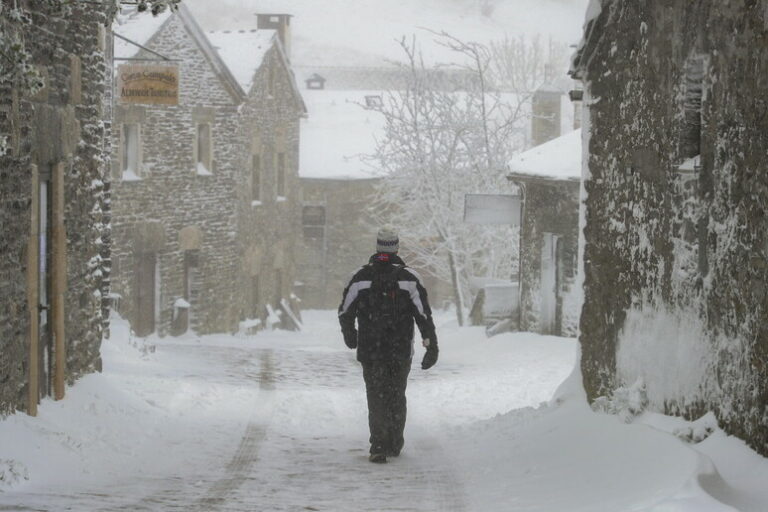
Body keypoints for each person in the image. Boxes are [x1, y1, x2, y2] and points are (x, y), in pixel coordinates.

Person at [338, 227, 438, 463]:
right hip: (400, 349)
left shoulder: (360, 277)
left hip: (371, 350)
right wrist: (431, 345)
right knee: (396, 394)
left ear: (377, 246)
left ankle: (379, 445)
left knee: (375, 395)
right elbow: (423, 315)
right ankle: (394, 442)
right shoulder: (410, 278)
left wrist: (350, 335)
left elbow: (344, 311)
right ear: (396, 247)